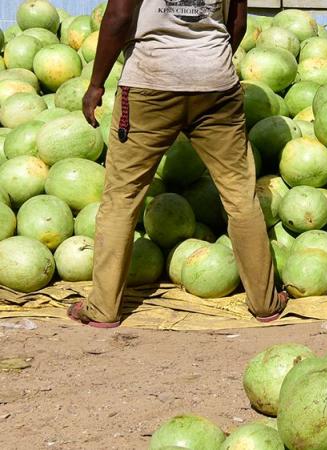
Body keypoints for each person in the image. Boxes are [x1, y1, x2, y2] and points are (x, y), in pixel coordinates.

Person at [68, 0, 287, 328]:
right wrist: (208, 60)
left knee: (121, 200)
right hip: (217, 85)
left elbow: (119, 16)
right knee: (241, 197)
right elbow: (238, 22)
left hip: (149, 83)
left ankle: (103, 309)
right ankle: (265, 304)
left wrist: (96, 83)